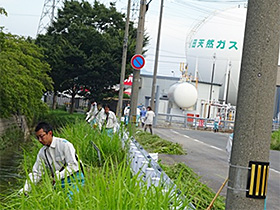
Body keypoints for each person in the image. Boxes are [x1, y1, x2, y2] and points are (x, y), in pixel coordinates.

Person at [19, 122, 85, 197]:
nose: (40, 140)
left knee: (70, 201)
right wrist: (26, 189)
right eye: (38, 138)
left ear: (50, 133)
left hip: (74, 178)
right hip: (59, 181)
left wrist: (59, 175)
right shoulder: (42, 152)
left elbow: (73, 165)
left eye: (41, 136)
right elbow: (37, 173)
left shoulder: (64, 144)